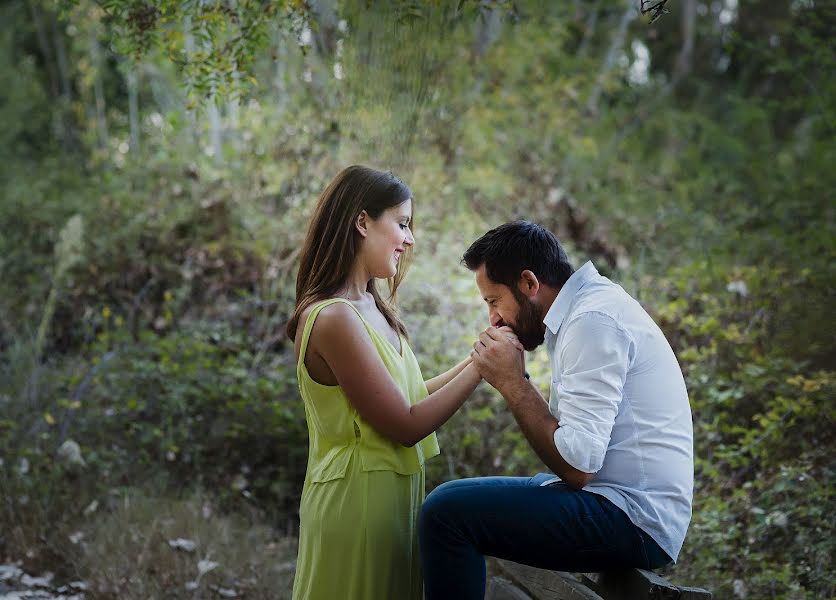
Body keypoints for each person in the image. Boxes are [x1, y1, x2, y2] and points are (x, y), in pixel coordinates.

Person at [418, 221, 694, 600]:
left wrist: (514, 383)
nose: (493, 319)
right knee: (465, 502)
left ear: (529, 283)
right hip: (619, 505)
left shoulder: (592, 322)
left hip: (634, 518)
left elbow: (578, 467)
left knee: (446, 512)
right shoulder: (584, 311)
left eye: (494, 301)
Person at [286, 165, 489, 600]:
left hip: (392, 498)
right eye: (402, 223)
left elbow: (409, 398)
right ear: (362, 222)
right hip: (357, 503)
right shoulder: (334, 317)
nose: (409, 239)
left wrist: (479, 357)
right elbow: (406, 423)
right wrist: (483, 368)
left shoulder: (372, 309)